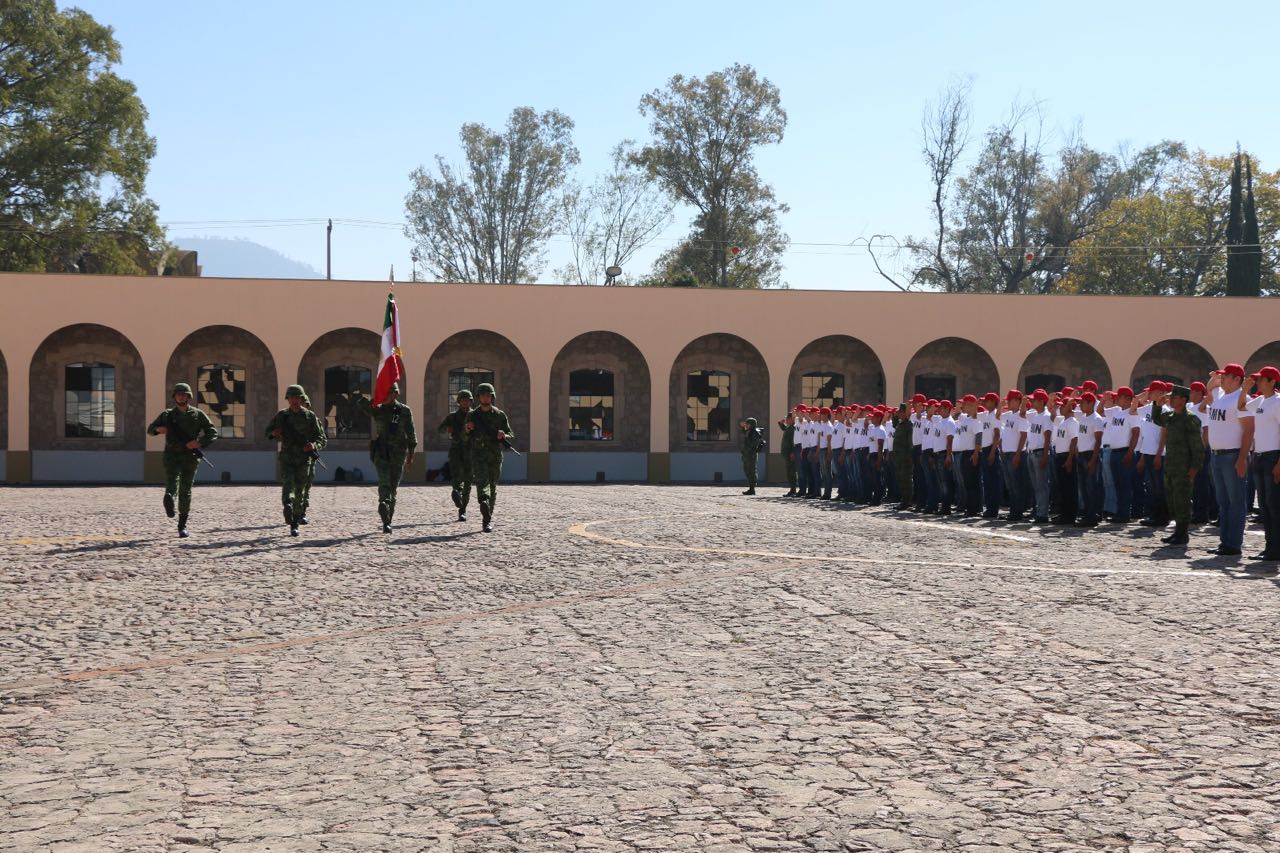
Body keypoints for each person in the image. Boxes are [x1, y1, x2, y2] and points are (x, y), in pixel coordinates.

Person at [146, 382, 218, 538]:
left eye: (184, 394)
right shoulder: (167, 415)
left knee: (186, 490)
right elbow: (150, 430)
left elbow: (212, 432)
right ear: (174, 397)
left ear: (189, 397)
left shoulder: (198, 415)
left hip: (190, 457)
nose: (181, 396)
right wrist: (158, 429)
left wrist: (199, 442)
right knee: (172, 480)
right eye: (178, 394)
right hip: (172, 455)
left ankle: (182, 525)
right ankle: (169, 499)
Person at [1200, 364, 1255, 557]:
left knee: (1235, 501)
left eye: (1226, 377)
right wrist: (1213, 380)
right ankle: (1225, 541)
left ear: (1237, 379)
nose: (1222, 379)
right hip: (1216, 455)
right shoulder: (1220, 396)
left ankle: (1234, 543)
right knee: (1223, 502)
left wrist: (1242, 458)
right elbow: (1207, 393)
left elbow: (1248, 431)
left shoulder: (1242, 399)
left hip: (1232, 455)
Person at [267, 384, 326, 536]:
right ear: (288, 399)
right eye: (292, 398)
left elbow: (321, 438)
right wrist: (274, 433)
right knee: (288, 485)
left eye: (297, 398)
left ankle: (296, 518)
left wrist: (313, 445)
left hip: (304, 459)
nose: (294, 400)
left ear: (301, 399)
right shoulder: (281, 416)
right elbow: (268, 432)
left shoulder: (309, 416)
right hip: (287, 457)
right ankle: (289, 511)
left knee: (300, 490)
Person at [357, 382, 417, 532]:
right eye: (385, 393)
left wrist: (411, 455)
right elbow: (361, 405)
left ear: (396, 394)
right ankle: (384, 504)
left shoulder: (404, 411)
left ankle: (388, 518)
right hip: (381, 452)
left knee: (393, 486)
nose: (387, 396)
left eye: (389, 393)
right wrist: (376, 399)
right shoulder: (378, 410)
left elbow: (411, 433)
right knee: (384, 481)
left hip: (398, 453)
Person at [1152, 385, 1203, 547]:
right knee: (1173, 499)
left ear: (1183, 400)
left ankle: (1183, 533)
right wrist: (1157, 406)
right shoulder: (1171, 416)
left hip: (1184, 466)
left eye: (1174, 397)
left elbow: (1197, 446)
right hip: (1171, 465)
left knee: (1182, 499)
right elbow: (1157, 419)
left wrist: (1195, 468)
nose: (1171, 400)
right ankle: (1177, 532)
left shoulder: (1190, 419)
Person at [1240, 366, 1280, 568]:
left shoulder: (1278, 402)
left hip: (1273, 456)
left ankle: (1275, 549)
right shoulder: (1261, 401)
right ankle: (1270, 547)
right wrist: (1245, 390)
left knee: (1274, 506)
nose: (1258, 382)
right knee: (1264, 506)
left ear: (1272, 381)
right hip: (1260, 455)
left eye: (1262, 379)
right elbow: (1240, 407)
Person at [465, 382, 514, 533]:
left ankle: (488, 517)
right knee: (482, 481)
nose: (486, 398)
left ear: (492, 397)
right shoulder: (472, 415)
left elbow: (511, 434)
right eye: (483, 395)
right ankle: (484, 503)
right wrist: (468, 429)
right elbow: (464, 436)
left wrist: (503, 434)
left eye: (488, 395)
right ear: (479, 397)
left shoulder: (499, 415)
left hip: (494, 455)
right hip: (478, 454)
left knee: (492, 485)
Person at [438, 389, 475, 521]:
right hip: (456, 450)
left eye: (467, 400)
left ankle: (462, 509)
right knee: (457, 475)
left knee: (468, 480)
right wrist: (447, 429)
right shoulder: (452, 417)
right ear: (459, 402)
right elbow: (440, 429)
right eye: (463, 400)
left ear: (471, 401)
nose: (465, 402)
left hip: (471, 450)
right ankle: (456, 493)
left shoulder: (475, 416)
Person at [998, 391, 1030, 522]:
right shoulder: (1008, 416)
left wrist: (1018, 453)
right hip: (1006, 453)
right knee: (1010, 485)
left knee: (1016, 485)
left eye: (1010, 400)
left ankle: (1017, 512)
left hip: (1015, 453)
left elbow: (1023, 436)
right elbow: (996, 417)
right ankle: (1013, 510)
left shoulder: (1021, 416)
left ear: (1017, 402)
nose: (1008, 403)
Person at [1025, 389, 1053, 524]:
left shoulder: (1046, 416)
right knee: (1036, 485)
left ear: (1042, 401)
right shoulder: (1035, 414)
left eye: (1034, 400)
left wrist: (1046, 455)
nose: (1032, 402)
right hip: (1032, 452)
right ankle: (1037, 510)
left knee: (1042, 485)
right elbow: (1022, 414)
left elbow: (1047, 437)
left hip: (1040, 452)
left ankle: (1042, 513)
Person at [1051, 396, 1080, 525]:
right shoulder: (1063, 421)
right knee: (1062, 487)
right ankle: (1063, 513)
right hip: (1060, 456)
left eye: (1062, 406)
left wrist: (1069, 460)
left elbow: (1074, 440)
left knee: (1069, 488)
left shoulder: (1072, 422)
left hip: (1067, 457)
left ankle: (1069, 515)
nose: (1060, 408)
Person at [893, 403, 914, 510]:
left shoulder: (908, 425)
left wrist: (909, 456)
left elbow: (910, 442)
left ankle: (907, 501)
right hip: (898, 456)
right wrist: (895, 415)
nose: (899, 414)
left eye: (901, 412)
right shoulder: (899, 424)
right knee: (900, 478)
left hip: (905, 456)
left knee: (906, 479)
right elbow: (894, 422)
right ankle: (903, 500)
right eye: (899, 412)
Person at [739, 417, 765, 494]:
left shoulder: (755, 433)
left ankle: (752, 488)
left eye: (747, 424)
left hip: (751, 455)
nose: (746, 425)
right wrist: (743, 427)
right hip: (747, 454)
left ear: (751, 425)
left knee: (751, 470)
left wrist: (747, 451)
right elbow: (745, 433)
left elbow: (753, 444)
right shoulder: (750, 431)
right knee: (747, 470)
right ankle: (751, 487)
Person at [778, 410, 797, 496]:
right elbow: (784, 428)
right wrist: (781, 424)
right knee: (789, 471)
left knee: (791, 471)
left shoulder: (793, 428)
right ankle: (792, 489)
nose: (786, 420)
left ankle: (793, 489)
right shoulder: (789, 427)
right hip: (787, 453)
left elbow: (794, 441)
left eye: (787, 419)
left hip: (790, 453)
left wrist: (793, 452)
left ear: (792, 419)